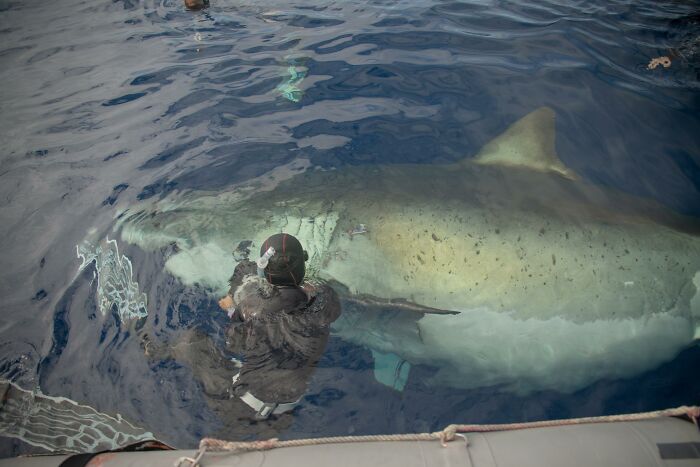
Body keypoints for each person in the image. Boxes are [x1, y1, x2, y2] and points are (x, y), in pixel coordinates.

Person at [143, 233, 340, 439]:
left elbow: (233, 343)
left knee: (192, 341)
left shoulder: (254, 309)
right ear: (304, 261)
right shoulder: (326, 303)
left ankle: (152, 351)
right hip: (285, 412)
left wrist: (232, 305)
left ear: (265, 271)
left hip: (241, 408)